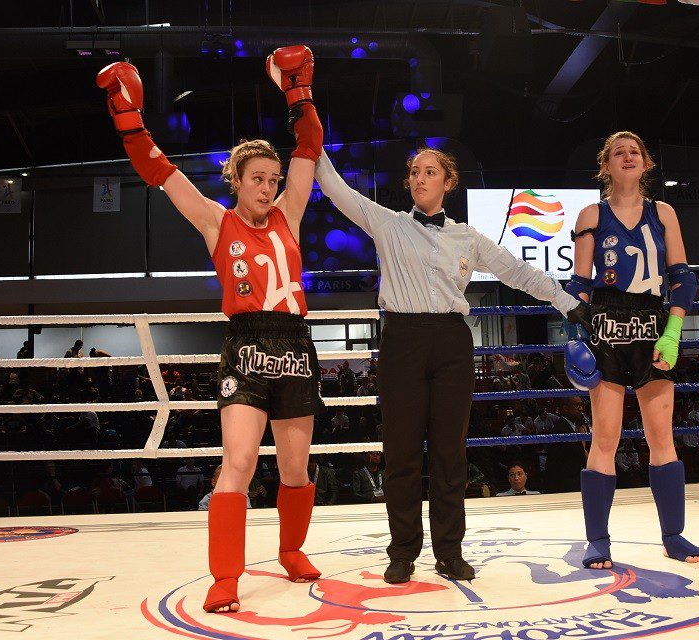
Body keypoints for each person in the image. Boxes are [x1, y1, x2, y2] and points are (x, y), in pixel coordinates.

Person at [97, 44, 325, 613]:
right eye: (257, 178)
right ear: (237, 181)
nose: (267, 187)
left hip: (295, 345)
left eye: (273, 178)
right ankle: (225, 577)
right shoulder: (215, 221)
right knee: (239, 462)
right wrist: (129, 118)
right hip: (246, 346)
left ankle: (291, 550)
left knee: (295, 467)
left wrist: (298, 94)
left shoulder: (291, 214)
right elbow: (159, 171)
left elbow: (310, 146)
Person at [315, 142, 591, 583]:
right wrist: (309, 134)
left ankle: (449, 552)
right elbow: (334, 188)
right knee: (401, 453)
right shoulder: (388, 223)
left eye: (430, 171)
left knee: (450, 453)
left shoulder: (467, 237)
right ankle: (402, 552)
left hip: (450, 342)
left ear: (448, 182)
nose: (420, 178)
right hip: (401, 339)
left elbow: (516, 271)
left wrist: (565, 301)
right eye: (414, 172)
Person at [567, 131, 699, 570]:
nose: (627, 157)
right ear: (605, 165)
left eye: (634, 152)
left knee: (661, 435)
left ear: (645, 163)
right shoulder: (592, 214)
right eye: (618, 153)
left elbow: (682, 275)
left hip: (652, 326)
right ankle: (598, 541)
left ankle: (673, 536)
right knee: (605, 437)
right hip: (606, 327)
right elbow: (580, 283)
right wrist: (574, 336)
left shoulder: (663, 212)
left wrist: (674, 330)